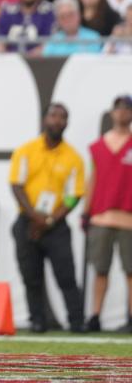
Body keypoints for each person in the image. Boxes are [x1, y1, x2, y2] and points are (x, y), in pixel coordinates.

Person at [10, 103, 86, 333]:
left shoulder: (74, 157)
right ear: (45, 120)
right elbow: (16, 185)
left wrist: (49, 220)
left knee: (66, 275)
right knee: (31, 275)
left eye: (63, 117)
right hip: (27, 222)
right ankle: (37, 320)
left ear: (67, 123)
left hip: (56, 225)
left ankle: (76, 321)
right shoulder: (26, 150)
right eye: (53, 115)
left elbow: (74, 196)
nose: (57, 120)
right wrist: (35, 217)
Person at [84, 95, 132, 333]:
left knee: (131, 271)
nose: (123, 113)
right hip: (102, 216)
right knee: (100, 270)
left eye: (127, 109)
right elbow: (92, 180)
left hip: (128, 219)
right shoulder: (99, 146)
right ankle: (95, 315)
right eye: (119, 108)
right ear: (112, 113)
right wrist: (86, 210)